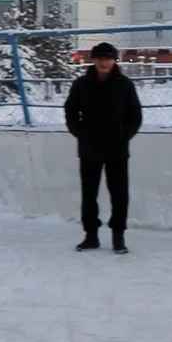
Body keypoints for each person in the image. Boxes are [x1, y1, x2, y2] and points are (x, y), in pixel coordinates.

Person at [64, 42, 143, 254]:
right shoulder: (81, 84)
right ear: (93, 60)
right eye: (99, 58)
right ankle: (91, 236)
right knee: (89, 193)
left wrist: (124, 136)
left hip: (117, 148)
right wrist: (80, 133)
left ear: (114, 60)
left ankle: (119, 237)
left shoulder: (125, 85)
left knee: (119, 193)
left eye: (108, 58)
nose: (104, 62)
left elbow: (135, 115)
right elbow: (70, 111)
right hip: (89, 147)